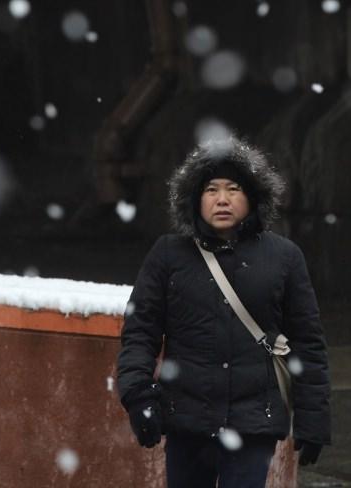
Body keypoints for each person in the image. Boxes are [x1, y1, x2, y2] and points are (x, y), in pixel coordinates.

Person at [116, 137, 331, 488]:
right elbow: (140, 331)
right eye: (211, 189)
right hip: (187, 420)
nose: (222, 199)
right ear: (195, 199)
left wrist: (314, 420)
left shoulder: (284, 257)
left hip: (253, 424)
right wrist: (139, 395)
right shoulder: (168, 254)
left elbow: (308, 343)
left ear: (253, 197)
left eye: (234, 188)